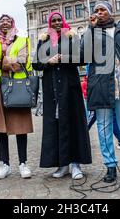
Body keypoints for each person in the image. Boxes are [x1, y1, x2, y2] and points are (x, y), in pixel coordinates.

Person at [81, 1, 120, 183]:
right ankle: (110, 166)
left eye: (103, 10)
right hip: (101, 86)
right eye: (96, 10)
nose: (99, 13)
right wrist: (90, 29)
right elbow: (83, 54)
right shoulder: (92, 32)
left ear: (110, 12)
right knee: (104, 127)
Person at [33, 12, 92, 179]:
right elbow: (35, 64)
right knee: (56, 126)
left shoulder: (71, 37)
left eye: (59, 20)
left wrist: (64, 58)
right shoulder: (43, 40)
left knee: (73, 124)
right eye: (54, 21)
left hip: (70, 88)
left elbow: (83, 57)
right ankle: (62, 164)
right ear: (50, 23)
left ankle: (75, 164)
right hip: (52, 90)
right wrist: (48, 61)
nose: (57, 23)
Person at [0, 14, 33, 179]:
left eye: (7, 20)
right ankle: (5, 164)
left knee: (20, 126)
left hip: (17, 86)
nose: (4, 23)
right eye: (1, 21)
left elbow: (21, 61)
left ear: (13, 23)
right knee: (0, 126)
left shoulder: (23, 40)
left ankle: (23, 163)